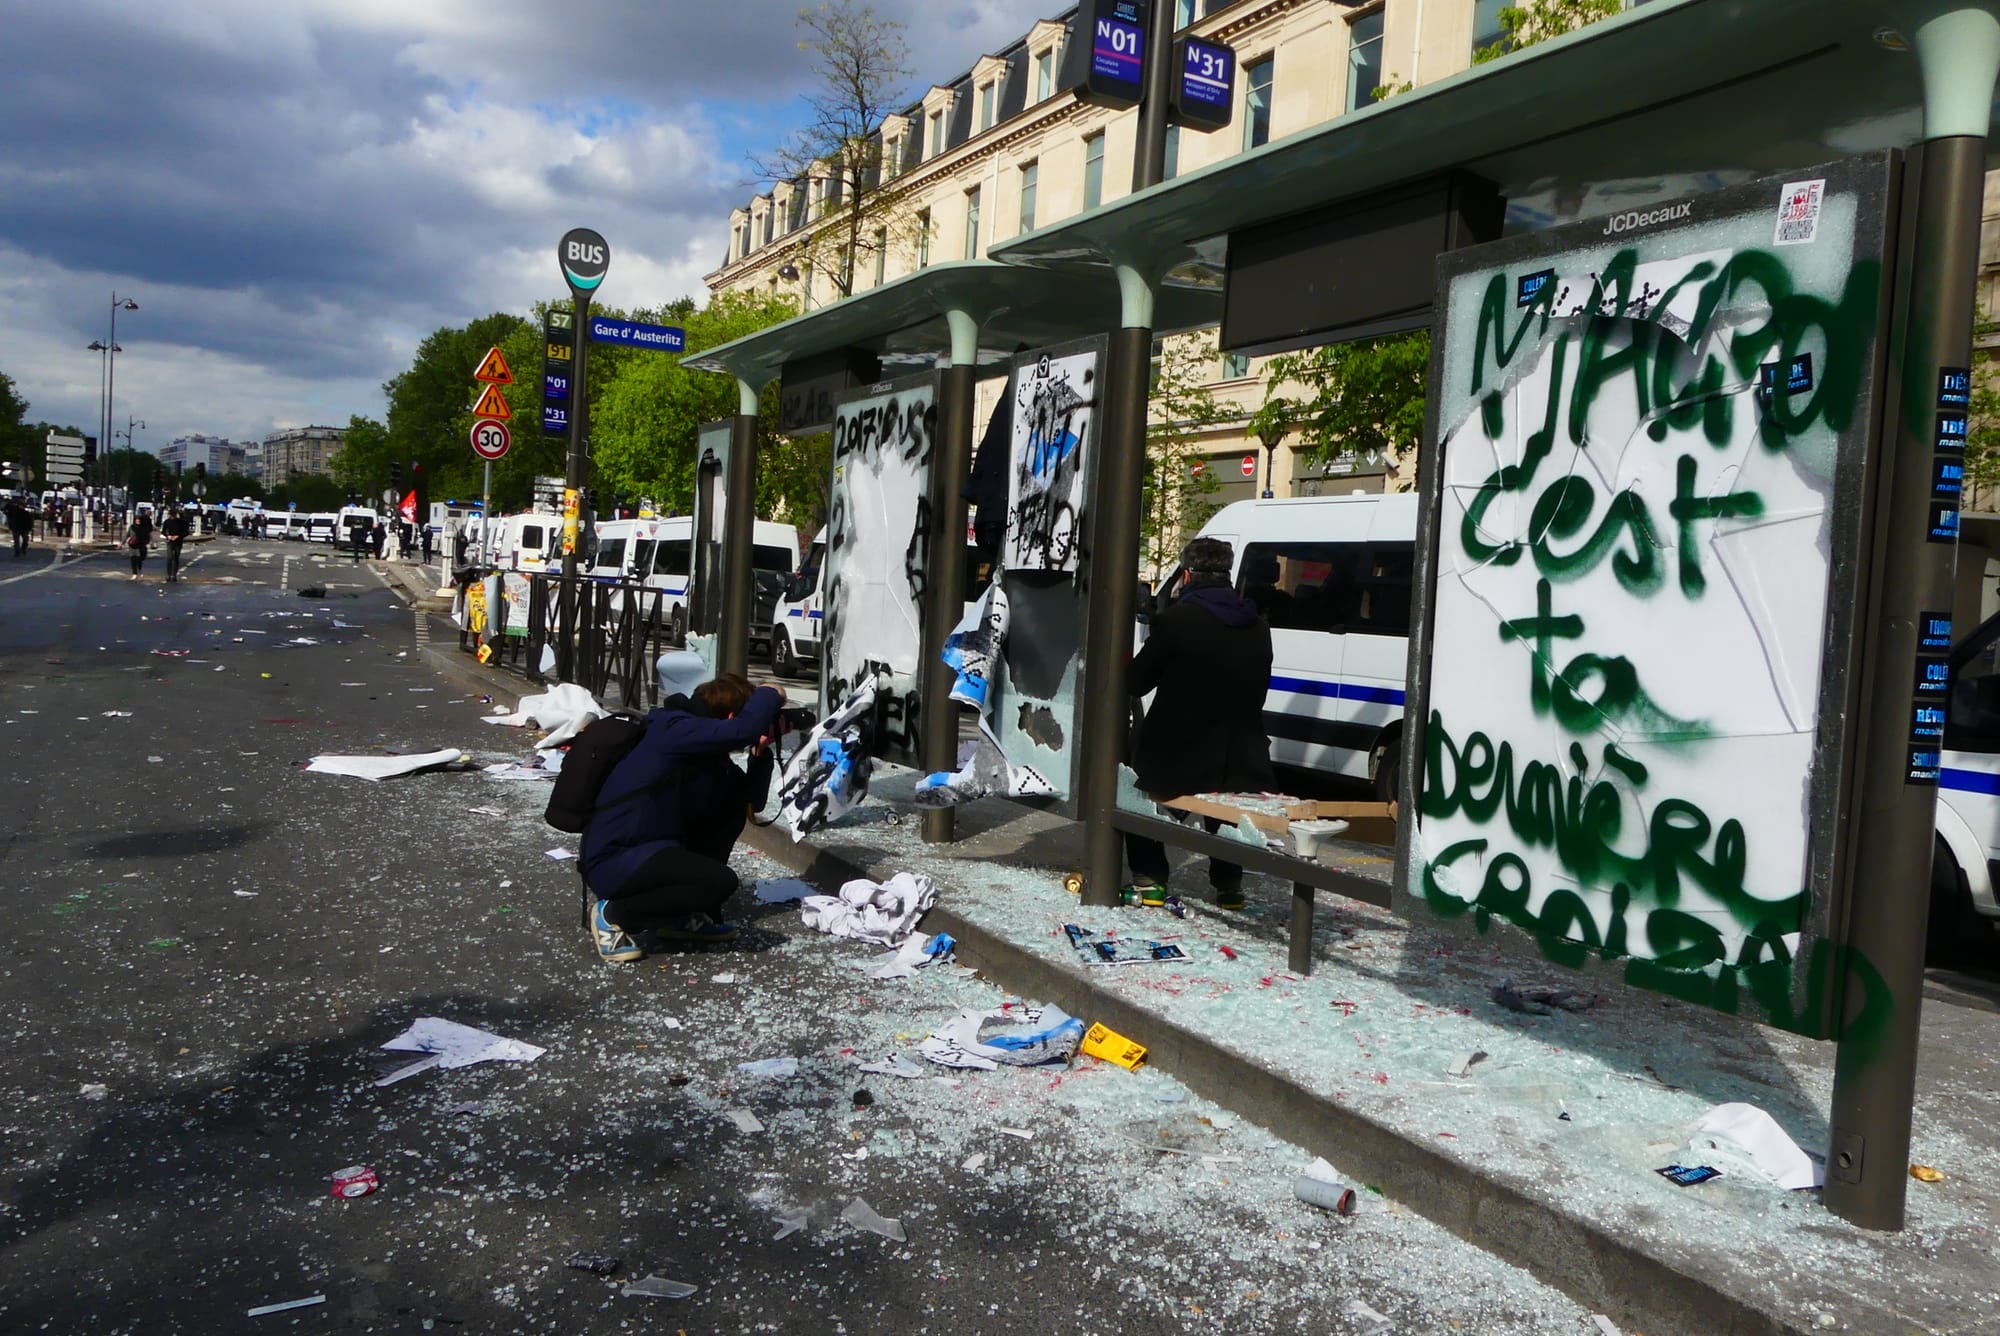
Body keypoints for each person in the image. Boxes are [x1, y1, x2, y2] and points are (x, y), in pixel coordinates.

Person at [579, 673, 787, 963]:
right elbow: (743, 729)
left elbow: (751, 800)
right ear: (730, 717)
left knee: (728, 810)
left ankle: (677, 917)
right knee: (719, 882)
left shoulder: (705, 751)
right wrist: (771, 692)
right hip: (616, 856)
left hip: (651, 849)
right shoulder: (674, 729)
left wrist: (760, 753)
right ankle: (612, 914)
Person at [1123, 536, 1275, 910]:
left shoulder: (1176, 621)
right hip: (1243, 757)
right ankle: (1229, 886)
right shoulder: (1258, 626)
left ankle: (1150, 879)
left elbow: (1136, 682)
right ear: (1227, 574)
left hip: (1178, 755)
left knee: (1130, 795)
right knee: (1224, 803)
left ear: (1188, 575)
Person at [160, 506, 191, 583]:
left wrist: (178, 536)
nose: (172, 517)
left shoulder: (181, 522)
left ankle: (174, 575)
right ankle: (168, 574)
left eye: (173, 515)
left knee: (176, 558)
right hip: (170, 541)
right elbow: (163, 531)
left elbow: (186, 532)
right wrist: (168, 536)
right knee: (169, 557)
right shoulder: (167, 522)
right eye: (171, 515)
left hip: (178, 541)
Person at [125, 510, 154, 580]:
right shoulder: (132, 527)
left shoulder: (143, 528)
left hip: (140, 545)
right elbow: (127, 535)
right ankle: (134, 573)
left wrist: (150, 541)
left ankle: (140, 571)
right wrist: (121, 544)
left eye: (139, 520)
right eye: (136, 520)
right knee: (132, 559)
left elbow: (148, 533)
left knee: (139, 559)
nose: (137, 521)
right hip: (132, 545)